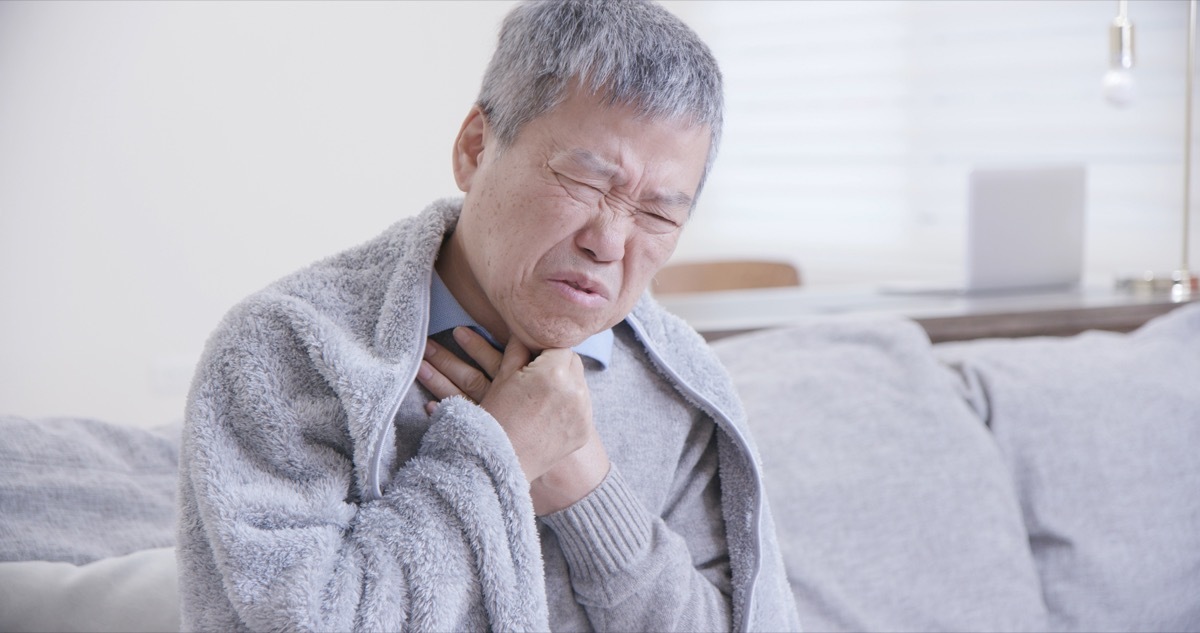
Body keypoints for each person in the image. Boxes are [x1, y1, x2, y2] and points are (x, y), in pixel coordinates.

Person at [177, 0, 799, 630]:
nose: (608, 243)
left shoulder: (682, 386)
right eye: (585, 182)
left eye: (660, 215)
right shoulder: (288, 348)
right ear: (475, 149)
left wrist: (589, 495)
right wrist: (498, 456)